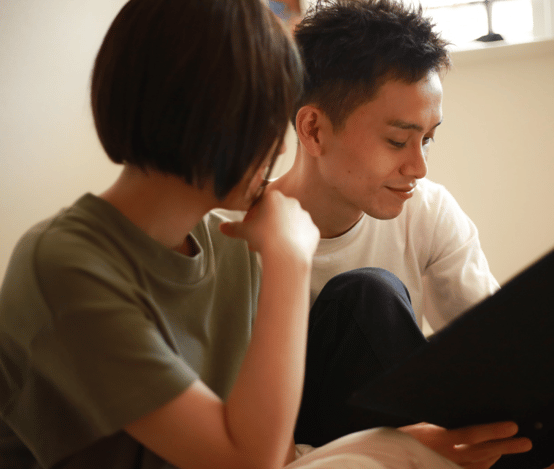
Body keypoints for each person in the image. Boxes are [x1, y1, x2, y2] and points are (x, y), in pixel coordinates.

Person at [0, 1, 526, 468]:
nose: (278, 145)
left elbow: (273, 448)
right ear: (205, 119)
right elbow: (249, 460)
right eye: (266, 117)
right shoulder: (63, 262)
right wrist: (289, 261)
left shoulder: (229, 250)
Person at [267, 1, 554, 468]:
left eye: (427, 139)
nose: (419, 167)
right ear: (313, 129)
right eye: (397, 140)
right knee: (369, 294)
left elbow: (502, 355)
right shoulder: (235, 235)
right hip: (301, 432)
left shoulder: (426, 208)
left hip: (394, 424)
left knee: (553, 354)